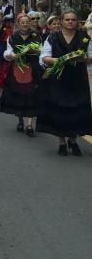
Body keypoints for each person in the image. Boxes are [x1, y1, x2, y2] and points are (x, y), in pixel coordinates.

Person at [37, 9, 92, 156]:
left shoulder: (84, 37)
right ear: (61, 21)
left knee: (76, 108)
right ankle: (61, 141)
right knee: (60, 108)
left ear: (77, 21)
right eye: (67, 19)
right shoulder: (52, 37)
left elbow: (90, 57)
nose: (70, 22)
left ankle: (73, 140)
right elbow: (44, 57)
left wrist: (81, 59)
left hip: (77, 78)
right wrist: (61, 60)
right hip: (58, 77)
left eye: (73, 19)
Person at [0, 14, 43, 136]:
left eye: (27, 22)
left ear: (30, 23)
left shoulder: (37, 36)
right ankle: (20, 121)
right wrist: (9, 55)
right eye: (22, 22)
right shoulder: (12, 37)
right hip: (17, 68)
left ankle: (29, 125)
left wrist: (35, 51)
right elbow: (8, 51)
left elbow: (42, 51)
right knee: (18, 95)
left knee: (32, 95)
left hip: (32, 67)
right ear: (18, 24)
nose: (25, 24)